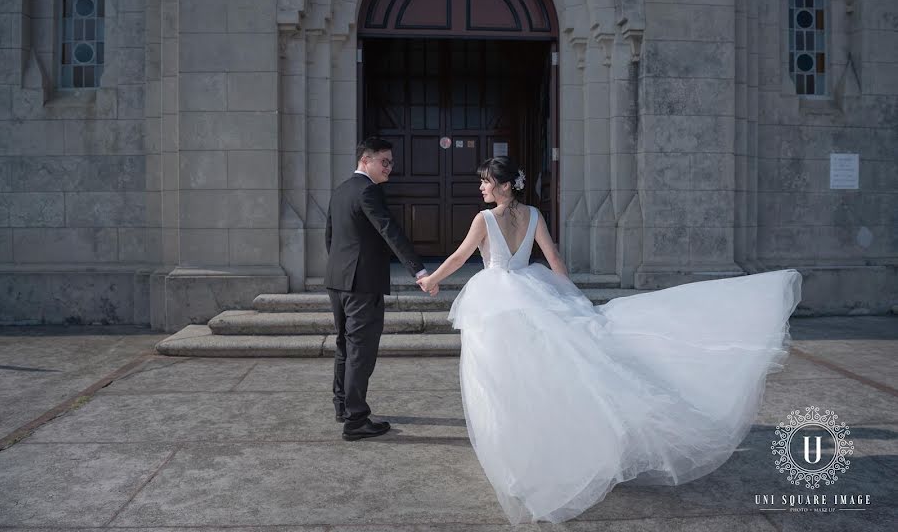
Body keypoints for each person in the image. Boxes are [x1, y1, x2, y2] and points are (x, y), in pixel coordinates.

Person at [416, 155, 801, 524]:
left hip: (497, 304)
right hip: (533, 293)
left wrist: (433, 280)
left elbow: (460, 256)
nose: (481, 187)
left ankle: (517, 457)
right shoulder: (534, 215)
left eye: (486, 181)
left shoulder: (485, 218)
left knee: (503, 381)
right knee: (544, 375)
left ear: (502, 186)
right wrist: (572, 299)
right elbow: (553, 258)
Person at [325, 137, 437, 441]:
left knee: (344, 346)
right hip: (362, 284)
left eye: (391, 162)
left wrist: (339, 271)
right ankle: (356, 420)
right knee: (361, 350)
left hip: (338, 281)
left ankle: (342, 406)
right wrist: (420, 270)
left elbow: (330, 237)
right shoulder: (368, 191)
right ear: (366, 160)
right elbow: (390, 231)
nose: (390, 167)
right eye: (384, 161)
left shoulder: (340, 190)